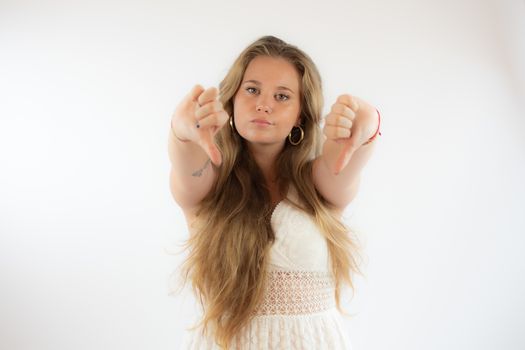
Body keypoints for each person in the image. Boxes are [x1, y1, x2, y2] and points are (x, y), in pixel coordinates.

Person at [167, 35, 381, 349]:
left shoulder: (317, 185)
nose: (263, 104)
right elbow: (186, 163)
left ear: (300, 115)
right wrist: (181, 132)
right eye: (252, 89)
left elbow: (349, 157)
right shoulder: (209, 184)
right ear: (233, 100)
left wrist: (369, 123)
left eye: (282, 96)